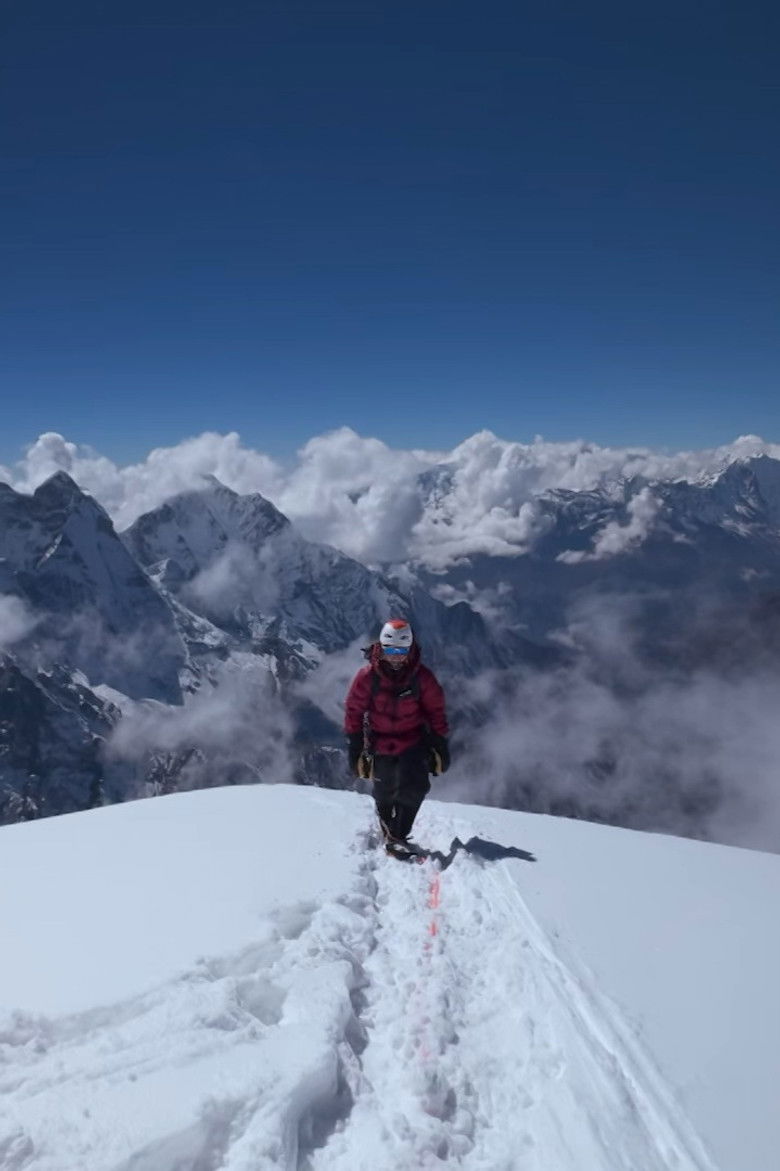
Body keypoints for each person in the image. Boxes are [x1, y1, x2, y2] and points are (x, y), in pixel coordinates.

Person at [344, 618, 450, 855]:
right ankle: (388, 828)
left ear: (410, 649)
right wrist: (355, 746)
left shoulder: (422, 678)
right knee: (385, 790)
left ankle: (397, 834)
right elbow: (354, 711)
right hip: (380, 742)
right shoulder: (367, 677)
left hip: (413, 741)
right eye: (390, 650)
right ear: (381, 648)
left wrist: (439, 743)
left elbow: (436, 711)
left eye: (401, 651)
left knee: (417, 786)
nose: (396, 656)